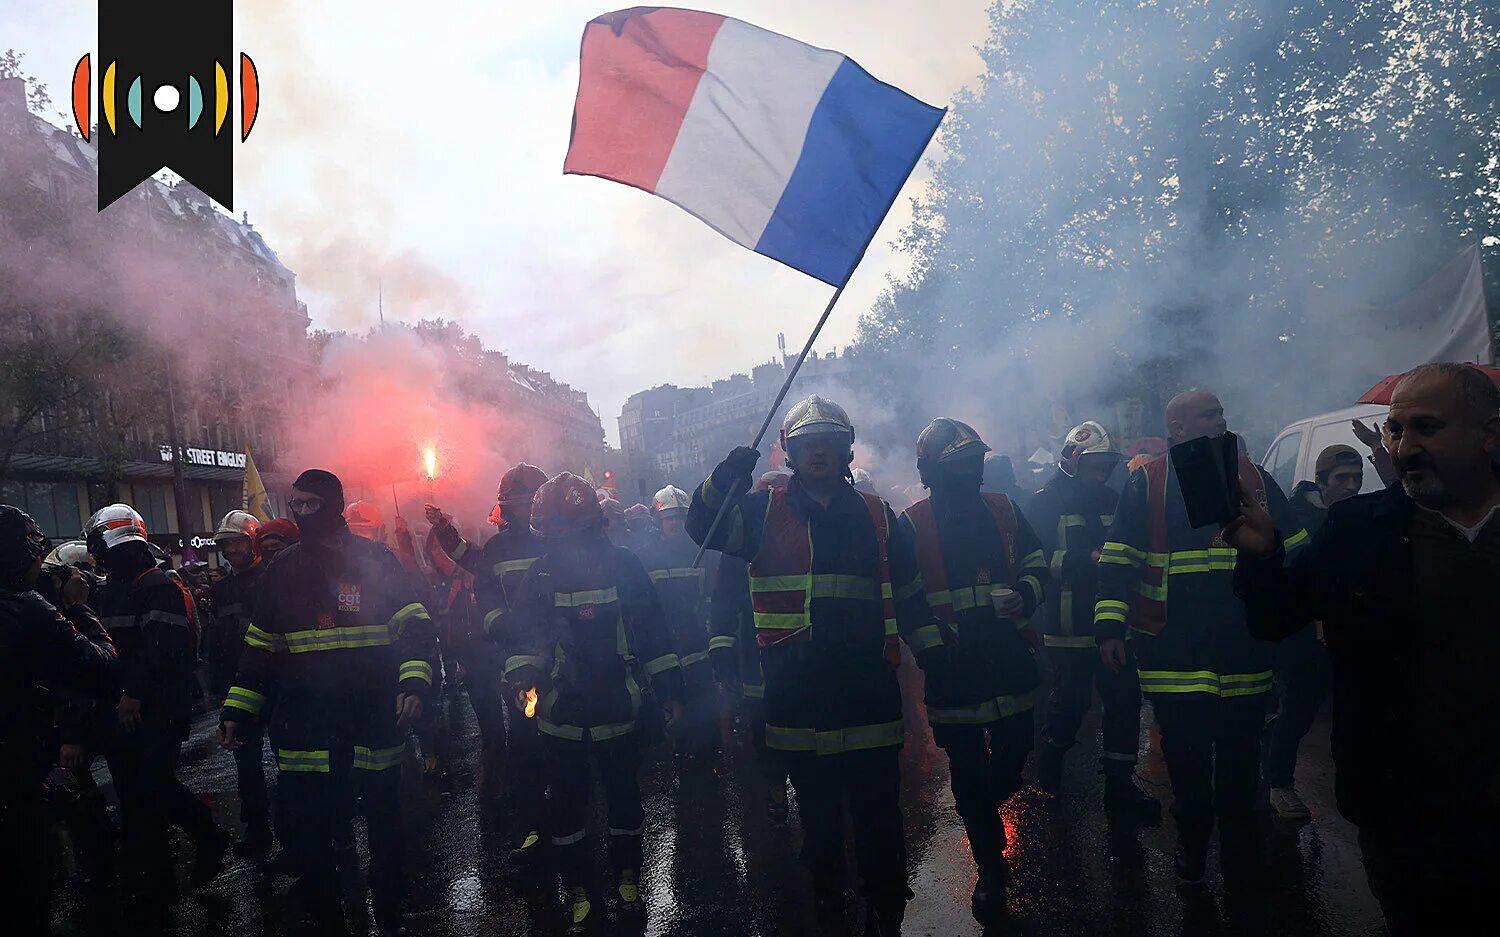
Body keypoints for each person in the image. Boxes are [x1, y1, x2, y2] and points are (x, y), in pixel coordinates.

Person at [1226, 363, 1500, 935]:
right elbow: (1275, 617)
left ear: (1489, 434)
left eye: (1427, 428)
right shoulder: (1358, 530)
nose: (1405, 447)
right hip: (1402, 805)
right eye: (1397, 431)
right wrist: (1260, 554)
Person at [688, 395, 929, 936]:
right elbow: (701, 525)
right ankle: (829, 912)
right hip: (796, 697)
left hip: (868, 692)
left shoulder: (878, 515)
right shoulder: (758, 513)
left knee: (878, 822)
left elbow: (910, 592)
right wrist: (725, 477)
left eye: (828, 442)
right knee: (818, 824)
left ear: (846, 450)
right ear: (789, 453)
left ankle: (886, 918)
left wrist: (935, 654)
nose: (817, 452)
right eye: (805, 443)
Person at [1094, 391, 1307, 886]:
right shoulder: (1147, 481)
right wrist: (1109, 627)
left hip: (1245, 650)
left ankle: (1239, 857)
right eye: (1210, 414)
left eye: (1221, 413)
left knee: (1239, 767)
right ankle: (1191, 846)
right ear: (1179, 426)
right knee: (1187, 768)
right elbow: (1119, 560)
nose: (1221, 420)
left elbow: (1295, 550)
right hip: (1174, 652)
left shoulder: (1252, 475)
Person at [218, 470, 436, 935]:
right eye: (295, 503)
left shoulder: (374, 560)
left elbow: (414, 626)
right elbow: (260, 646)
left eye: (311, 503)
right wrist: (238, 708)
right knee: (312, 836)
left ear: (334, 506)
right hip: (306, 726)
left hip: (372, 718)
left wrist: (413, 683)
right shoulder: (282, 570)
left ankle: (392, 916)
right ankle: (328, 918)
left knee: (385, 830)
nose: (300, 511)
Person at [503, 472, 684, 934]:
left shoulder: (624, 566)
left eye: (572, 536)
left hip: (619, 710)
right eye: (555, 538)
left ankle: (627, 878)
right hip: (560, 715)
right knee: (566, 808)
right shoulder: (539, 575)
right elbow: (525, 638)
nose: (565, 547)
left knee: (625, 802)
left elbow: (654, 633)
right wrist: (524, 679)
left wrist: (671, 694)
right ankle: (580, 891)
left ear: (593, 528)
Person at [899, 418, 1051, 920]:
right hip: (953, 667)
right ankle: (989, 866)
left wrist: (1027, 591)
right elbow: (904, 597)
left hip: (1008, 659)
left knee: (1014, 752)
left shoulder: (1004, 509)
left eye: (975, 461)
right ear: (932, 471)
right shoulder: (913, 523)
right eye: (959, 464)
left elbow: (1035, 560)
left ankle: (986, 806)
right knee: (967, 773)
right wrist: (932, 652)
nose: (971, 471)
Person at [86, 503, 230, 914]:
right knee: (136, 794)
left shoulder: (157, 586)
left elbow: (162, 650)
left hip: (158, 709)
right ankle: (159, 871)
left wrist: (133, 692)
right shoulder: (109, 589)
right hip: (120, 710)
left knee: (149, 788)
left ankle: (181, 862)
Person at [1029, 421, 1159, 818]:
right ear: (1072, 459)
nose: (1101, 471)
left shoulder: (1115, 498)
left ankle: (1119, 787)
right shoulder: (1044, 501)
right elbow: (1034, 562)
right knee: (1071, 703)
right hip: (1068, 624)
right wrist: (1085, 560)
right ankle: (1050, 761)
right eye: (1094, 463)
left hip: (1114, 620)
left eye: (1107, 464)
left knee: (1123, 702)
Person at [1, 505, 117, 935]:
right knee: (27, 891)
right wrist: (76, 609)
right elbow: (103, 668)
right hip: (18, 778)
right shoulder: (29, 608)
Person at [426, 462, 549, 839]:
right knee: (526, 732)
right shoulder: (498, 548)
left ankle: (559, 809)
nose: (521, 512)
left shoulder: (557, 541)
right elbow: (472, 562)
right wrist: (444, 530)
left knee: (560, 733)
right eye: (517, 505)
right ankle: (532, 813)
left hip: (559, 653)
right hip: (517, 655)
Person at [1264, 445, 1361, 821]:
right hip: (1304, 637)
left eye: (1357, 478)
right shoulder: (1297, 519)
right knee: (1299, 712)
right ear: (1321, 482)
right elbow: (1293, 577)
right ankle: (1279, 784)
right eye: (1342, 479)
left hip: (1346, 632)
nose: (1351, 486)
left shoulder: (1354, 515)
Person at [707, 470, 790, 824]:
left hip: (799, 658)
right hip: (755, 655)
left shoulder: (804, 535)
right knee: (763, 731)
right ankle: (775, 788)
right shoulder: (738, 549)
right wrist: (722, 652)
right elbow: (723, 602)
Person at [208, 510, 275, 856]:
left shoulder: (274, 579)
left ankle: (298, 832)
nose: (231, 549)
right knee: (246, 762)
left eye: (237, 541)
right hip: (240, 687)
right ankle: (258, 829)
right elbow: (218, 644)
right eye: (225, 544)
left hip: (276, 683)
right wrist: (223, 693)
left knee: (289, 759)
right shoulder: (222, 590)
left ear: (253, 542)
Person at [639, 484, 718, 774]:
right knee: (673, 714)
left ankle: (708, 769)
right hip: (665, 651)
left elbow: (711, 598)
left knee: (704, 714)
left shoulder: (703, 553)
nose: (676, 524)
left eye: (681, 518)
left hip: (697, 647)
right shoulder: (645, 557)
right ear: (657, 521)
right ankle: (682, 767)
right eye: (670, 518)